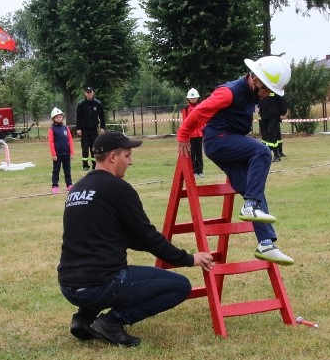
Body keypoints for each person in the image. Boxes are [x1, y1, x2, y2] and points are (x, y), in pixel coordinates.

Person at [58, 131, 214, 347]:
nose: (130, 162)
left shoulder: (77, 189)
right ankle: (112, 322)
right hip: (100, 285)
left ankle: (83, 318)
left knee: (99, 271)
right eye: (127, 156)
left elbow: (119, 236)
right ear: (113, 157)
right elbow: (147, 236)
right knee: (180, 286)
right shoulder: (119, 189)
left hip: (68, 285)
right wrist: (188, 259)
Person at [177, 56, 294, 266]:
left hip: (233, 143)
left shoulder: (253, 94)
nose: (267, 95)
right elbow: (200, 111)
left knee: (253, 190)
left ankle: (266, 243)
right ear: (256, 79)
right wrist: (184, 135)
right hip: (218, 141)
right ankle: (249, 205)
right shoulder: (228, 92)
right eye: (266, 89)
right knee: (263, 152)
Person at [75, 86, 105, 170]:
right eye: (87, 92)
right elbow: (78, 117)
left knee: (94, 148)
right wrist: (78, 128)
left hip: (94, 130)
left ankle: (95, 164)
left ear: (93, 93)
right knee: (85, 148)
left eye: (90, 92)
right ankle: (85, 164)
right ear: (85, 93)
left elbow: (102, 116)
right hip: (84, 130)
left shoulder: (97, 103)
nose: (89, 94)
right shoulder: (81, 104)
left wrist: (102, 127)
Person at [47, 107, 74, 194]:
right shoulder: (52, 129)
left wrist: (72, 152)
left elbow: (70, 140)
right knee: (56, 170)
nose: (59, 118)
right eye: (57, 117)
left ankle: (69, 184)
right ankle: (55, 185)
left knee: (67, 169)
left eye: (60, 116)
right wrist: (53, 154)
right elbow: (51, 142)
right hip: (57, 154)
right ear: (53, 118)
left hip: (66, 152)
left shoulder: (66, 128)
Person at [180, 88, 205, 178]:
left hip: (199, 134)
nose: (193, 99)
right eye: (192, 98)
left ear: (197, 98)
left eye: (195, 98)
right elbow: (185, 122)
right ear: (188, 99)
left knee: (199, 153)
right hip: (191, 135)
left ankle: (200, 170)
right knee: (192, 153)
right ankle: (194, 171)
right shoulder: (186, 109)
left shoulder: (201, 106)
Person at [258, 90, 288, 161]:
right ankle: (265, 153)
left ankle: (276, 155)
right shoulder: (262, 89)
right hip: (264, 115)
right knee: (265, 136)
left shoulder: (276, 90)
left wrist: (282, 113)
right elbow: (260, 101)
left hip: (274, 116)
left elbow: (282, 102)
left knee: (271, 133)